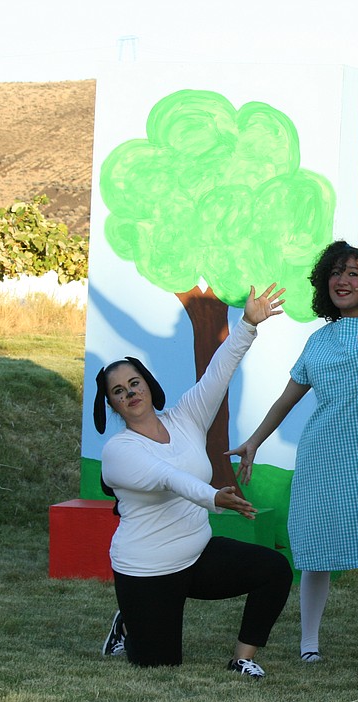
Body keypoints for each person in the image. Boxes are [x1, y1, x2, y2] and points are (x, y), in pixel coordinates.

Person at [226, 241, 358, 677]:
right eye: (336, 273)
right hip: (321, 456)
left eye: (354, 273)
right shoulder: (317, 342)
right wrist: (254, 441)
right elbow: (286, 400)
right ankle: (309, 646)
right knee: (314, 551)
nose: (343, 281)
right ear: (324, 283)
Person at [94, 283, 293, 678]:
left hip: (197, 553)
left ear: (148, 383)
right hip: (147, 568)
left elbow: (217, 374)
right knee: (160, 664)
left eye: (134, 383)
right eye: (119, 391)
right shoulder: (119, 451)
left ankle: (242, 658)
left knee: (274, 569)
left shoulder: (185, 417)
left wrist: (248, 326)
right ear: (113, 404)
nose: (130, 392)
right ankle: (129, 621)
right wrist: (214, 498)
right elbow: (168, 478)